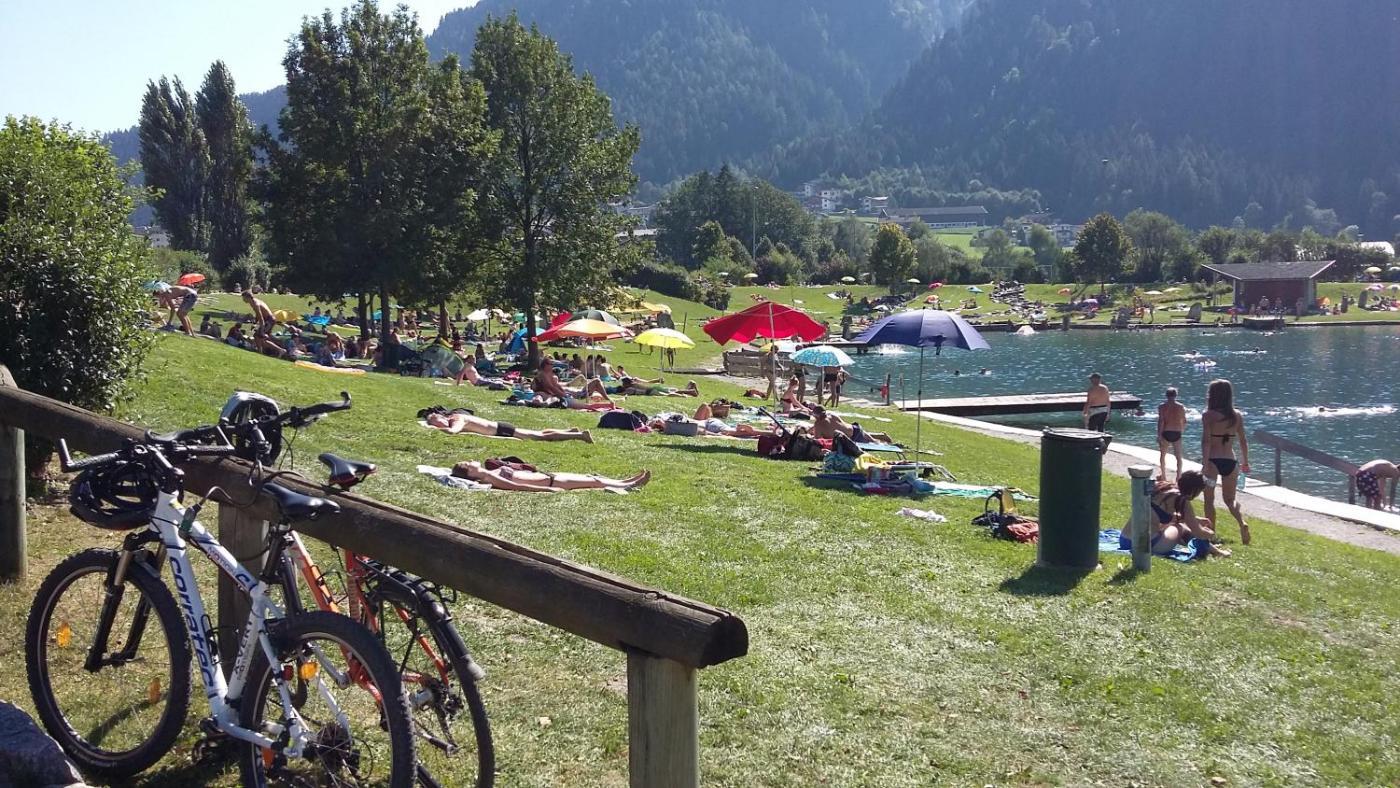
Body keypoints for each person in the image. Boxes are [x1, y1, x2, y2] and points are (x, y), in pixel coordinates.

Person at [1123, 471, 1230, 558]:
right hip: (1146, 546)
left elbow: (1158, 512)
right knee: (1181, 528)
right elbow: (1198, 533)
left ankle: (1215, 550)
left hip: (1125, 540)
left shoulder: (1162, 486)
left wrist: (1194, 519)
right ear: (1195, 490)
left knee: (1175, 524)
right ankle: (1217, 552)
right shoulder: (1183, 501)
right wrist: (1211, 534)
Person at [1201, 379, 1251, 544]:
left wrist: (1205, 463)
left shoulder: (1208, 416)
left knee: (1209, 499)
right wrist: (1245, 462)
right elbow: (1243, 441)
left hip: (1213, 461)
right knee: (1230, 499)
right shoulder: (1237, 415)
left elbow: (1206, 441)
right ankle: (1242, 522)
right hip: (1231, 460)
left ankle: (1211, 533)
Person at [451, 460, 649, 492]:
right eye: (468, 464)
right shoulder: (488, 477)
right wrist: (547, 490)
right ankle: (628, 485)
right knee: (594, 482)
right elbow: (516, 487)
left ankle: (625, 481)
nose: (471, 461)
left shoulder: (488, 474)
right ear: (470, 472)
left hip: (548, 476)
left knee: (590, 477)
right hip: (551, 482)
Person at [422, 408, 593, 443]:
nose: (438, 426)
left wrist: (434, 428)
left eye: (437, 423)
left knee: (539, 437)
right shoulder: (455, 416)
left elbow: (453, 432)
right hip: (500, 427)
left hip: (502, 430)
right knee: (538, 432)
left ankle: (579, 436)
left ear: (441, 417)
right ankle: (570, 431)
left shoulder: (457, 419)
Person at [1157, 387, 1188, 480]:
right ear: (1176, 395)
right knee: (1178, 456)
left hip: (1166, 432)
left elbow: (1161, 421)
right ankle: (1178, 476)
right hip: (1177, 432)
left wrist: (1159, 435)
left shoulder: (1162, 407)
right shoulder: (1180, 407)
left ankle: (1163, 475)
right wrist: (1181, 430)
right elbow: (1184, 421)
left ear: (1166, 395)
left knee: (1163, 455)